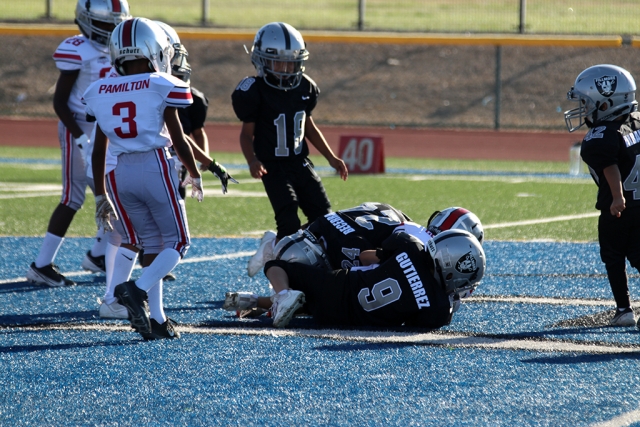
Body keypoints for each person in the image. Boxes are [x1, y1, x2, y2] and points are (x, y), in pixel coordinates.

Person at [85, 17, 203, 339]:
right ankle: (135, 290)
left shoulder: (99, 89)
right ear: (155, 50)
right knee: (178, 242)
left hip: (119, 173)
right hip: (154, 165)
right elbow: (178, 138)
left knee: (151, 243)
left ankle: (158, 319)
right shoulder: (161, 83)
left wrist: (99, 194)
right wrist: (193, 173)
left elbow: (98, 151)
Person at [26, 0, 131, 288]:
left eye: (116, 22)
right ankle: (41, 265)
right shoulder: (77, 49)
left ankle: (98, 254)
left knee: (109, 190)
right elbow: (59, 102)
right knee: (72, 197)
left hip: (106, 126)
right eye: (106, 22)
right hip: (79, 125)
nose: (112, 28)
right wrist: (80, 137)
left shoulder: (121, 46)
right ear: (87, 21)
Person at [231, 21, 349, 278]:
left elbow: (309, 127)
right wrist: (252, 161)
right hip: (272, 165)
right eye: (278, 63)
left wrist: (331, 157)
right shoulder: (254, 91)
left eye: (290, 63)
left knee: (323, 217)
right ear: (261, 61)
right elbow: (245, 135)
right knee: (289, 219)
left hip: (299, 162)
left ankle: (274, 246)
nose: (285, 69)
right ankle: (286, 276)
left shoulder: (305, 87)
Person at [225, 229, 486, 329]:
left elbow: (366, 257)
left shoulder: (411, 247)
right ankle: (257, 302)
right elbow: (413, 325)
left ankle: (277, 297)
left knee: (275, 264)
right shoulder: (439, 309)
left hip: (341, 287)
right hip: (352, 321)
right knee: (308, 304)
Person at [564, 64, 640, 327]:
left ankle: (624, 309)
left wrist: (618, 197)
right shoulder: (636, 123)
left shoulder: (600, 135)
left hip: (617, 210)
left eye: (586, 102)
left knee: (614, 258)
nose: (583, 109)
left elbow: (610, 167)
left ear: (606, 103)